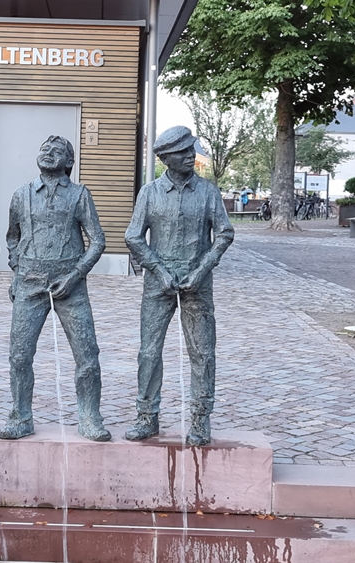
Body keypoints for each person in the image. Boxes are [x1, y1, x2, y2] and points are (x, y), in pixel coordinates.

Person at [124, 126, 235, 446]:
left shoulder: (208, 191)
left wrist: (202, 270)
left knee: (202, 352)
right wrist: (157, 270)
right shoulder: (150, 192)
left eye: (191, 149)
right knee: (149, 352)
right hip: (158, 283)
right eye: (184, 151)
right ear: (165, 158)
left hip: (197, 283)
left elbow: (224, 233)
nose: (191, 156)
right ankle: (147, 415)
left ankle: (201, 418)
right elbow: (133, 236)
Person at [0, 135, 111, 442]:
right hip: (29, 284)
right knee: (19, 356)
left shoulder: (79, 195)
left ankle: (89, 417)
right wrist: (18, 270)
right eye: (45, 149)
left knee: (87, 353)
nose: (49, 154)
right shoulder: (22, 195)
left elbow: (98, 241)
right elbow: (12, 237)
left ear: (69, 162)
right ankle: (21, 416)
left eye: (57, 151)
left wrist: (74, 276)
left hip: (70, 286)